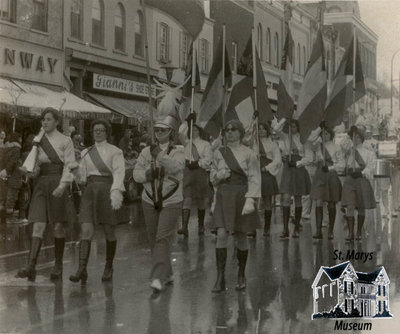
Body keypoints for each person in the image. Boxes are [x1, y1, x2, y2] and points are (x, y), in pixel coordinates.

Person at [16, 108, 76, 281]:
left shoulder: (66, 141)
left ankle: (57, 266)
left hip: (58, 182)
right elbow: (36, 169)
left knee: (58, 226)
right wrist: (29, 172)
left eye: (48, 119)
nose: (45, 122)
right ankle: (31, 266)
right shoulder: (38, 140)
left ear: (57, 122)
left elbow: (70, 165)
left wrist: (63, 185)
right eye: (43, 119)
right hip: (42, 184)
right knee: (38, 225)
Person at [133, 113, 185, 293]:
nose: (158, 133)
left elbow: (176, 168)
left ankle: (157, 277)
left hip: (171, 199)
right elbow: (136, 174)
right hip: (149, 198)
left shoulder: (179, 150)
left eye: (163, 130)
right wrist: (147, 174)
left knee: (163, 237)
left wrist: (160, 155)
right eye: (156, 130)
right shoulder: (145, 151)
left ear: (170, 132)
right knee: (153, 238)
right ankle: (167, 272)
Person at [69, 120, 125, 283]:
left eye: (101, 130)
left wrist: (115, 191)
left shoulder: (115, 151)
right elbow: (82, 179)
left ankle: (108, 266)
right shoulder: (87, 152)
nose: (98, 133)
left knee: (109, 231)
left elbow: (119, 173)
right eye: (95, 130)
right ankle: (81, 269)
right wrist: (76, 172)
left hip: (107, 190)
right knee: (86, 230)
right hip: (90, 192)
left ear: (107, 132)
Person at [210, 120, 261, 292]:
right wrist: (219, 175)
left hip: (241, 195)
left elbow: (254, 177)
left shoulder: (249, 153)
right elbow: (212, 177)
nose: (229, 132)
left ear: (240, 132)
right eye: (227, 130)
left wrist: (251, 199)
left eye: (233, 130)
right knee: (221, 233)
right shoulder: (219, 152)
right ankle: (220, 277)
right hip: (224, 195)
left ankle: (240, 274)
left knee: (241, 235)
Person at [177, 114, 213, 237]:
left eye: (196, 129)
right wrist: (187, 122)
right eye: (192, 129)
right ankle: (184, 227)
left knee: (201, 200)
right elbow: (180, 133)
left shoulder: (205, 144)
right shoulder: (187, 142)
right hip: (188, 172)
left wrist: (198, 163)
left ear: (200, 131)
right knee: (187, 198)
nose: (194, 131)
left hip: (200, 172)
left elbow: (208, 159)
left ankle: (201, 225)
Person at [277, 120, 312, 238]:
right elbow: (276, 129)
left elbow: (309, 158)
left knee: (298, 198)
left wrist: (297, 163)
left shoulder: (304, 140)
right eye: (290, 126)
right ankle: (285, 229)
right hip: (288, 169)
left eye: (294, 126)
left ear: (298, 127)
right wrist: (284, 119)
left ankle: (296, 227)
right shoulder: (286, 137)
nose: (292, 128)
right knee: (286, 197)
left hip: (298, 169)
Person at [341, 126, 376, 241]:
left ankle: (359, 231)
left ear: (361, 138)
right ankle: (350, 233)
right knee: (350, 206)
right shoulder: (349, 151)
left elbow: (371, 167)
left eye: (357, 137)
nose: (354, 139)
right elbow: (342, 143)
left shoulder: (368, 153)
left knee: (361, 207)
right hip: (350, 180)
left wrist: (362, 173)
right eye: (353, 137)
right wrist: (349, 133)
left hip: (361, 180)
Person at [310, 125, 343, 239]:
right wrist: (320, 127)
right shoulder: (317, 146)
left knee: (331, 202)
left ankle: (330, 230)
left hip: (331, 175)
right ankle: (318, 230)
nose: (325, 136)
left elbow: (341, 164)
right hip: (320, 175)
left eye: (327, 134)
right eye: (323, 134)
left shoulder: (336, 147)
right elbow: (311, 139)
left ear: (331, 135)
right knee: (319, 201)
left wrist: (330, 168)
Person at [248, 122, 281, 237]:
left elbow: (278, 160)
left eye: (263, 129)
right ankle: (252, 227)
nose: (261, 131)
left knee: (267, 201)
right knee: (254, 200)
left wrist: (266, 168)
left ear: (267, 131)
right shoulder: (254, 143)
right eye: (259, 129)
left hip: (267, 172)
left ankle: (266, 227)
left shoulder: (273, 144)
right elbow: (250, 156)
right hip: (255, 171)